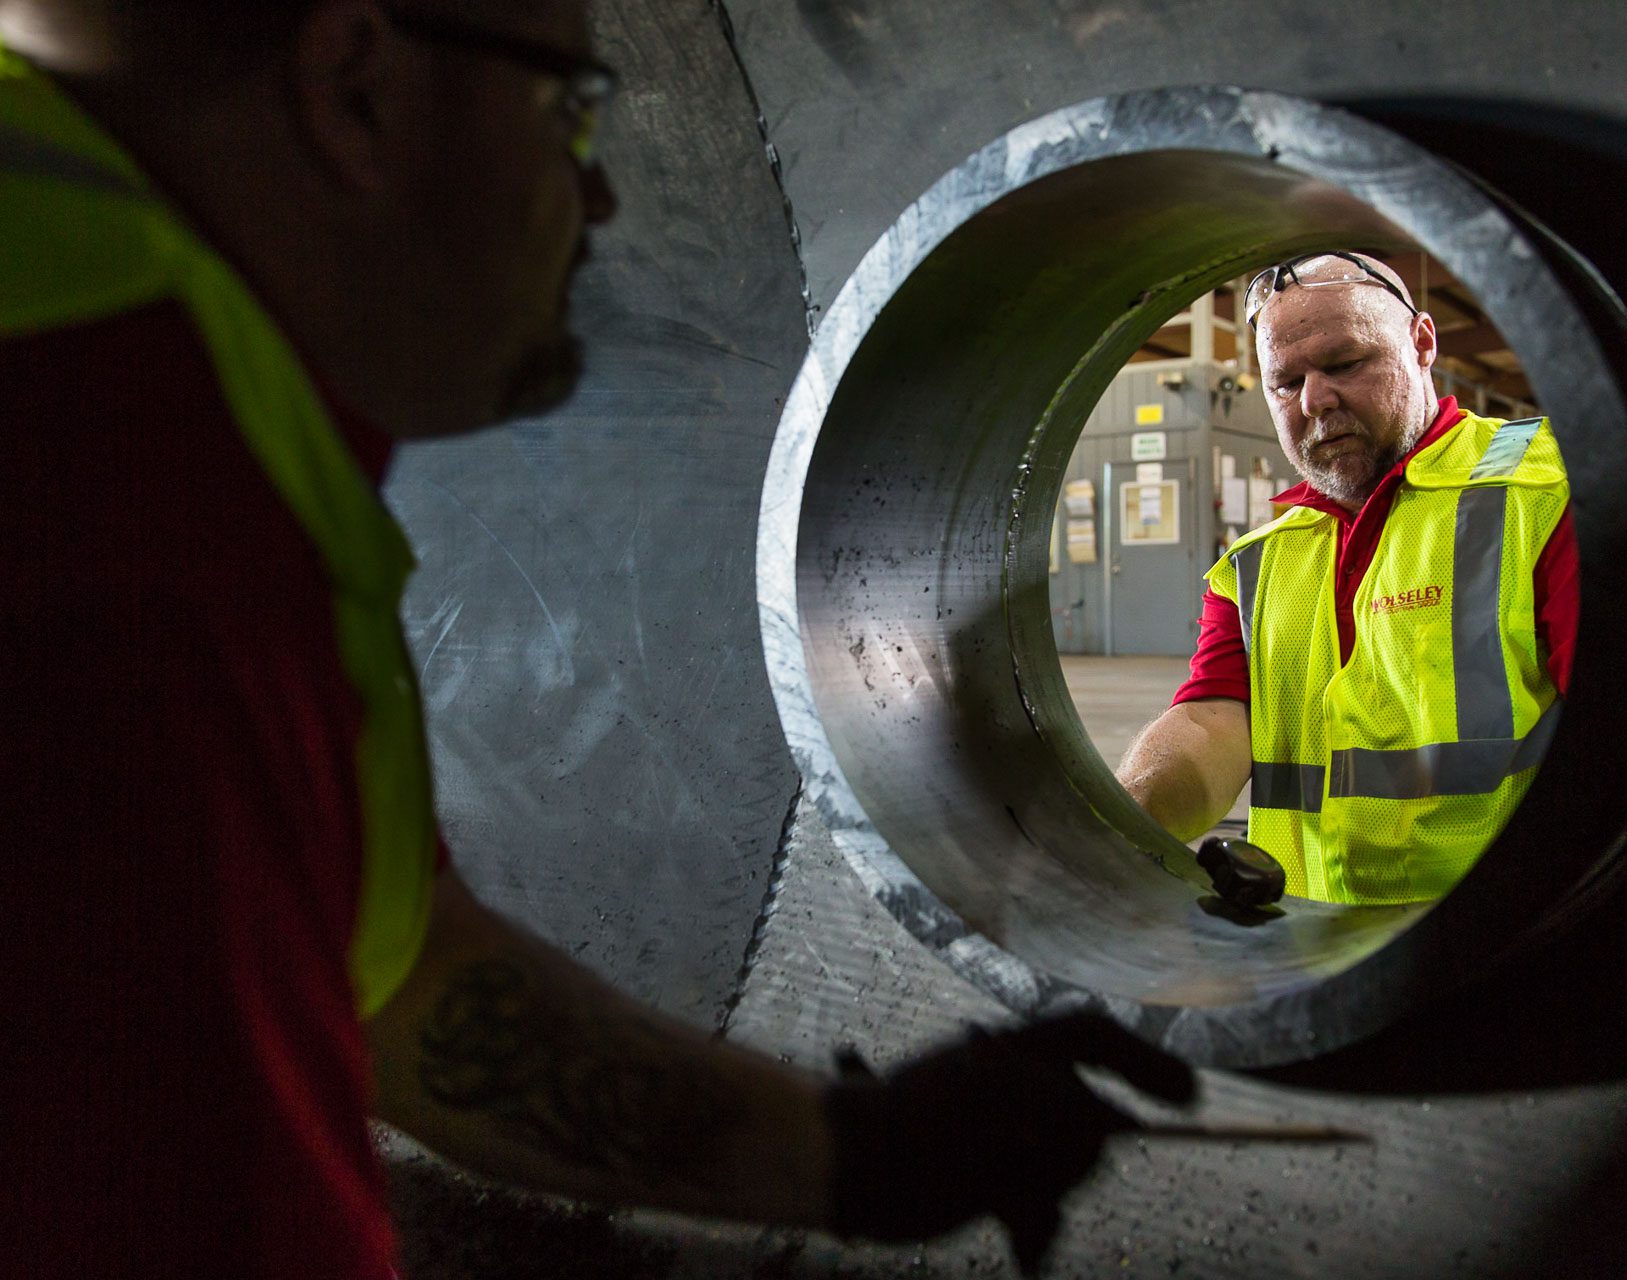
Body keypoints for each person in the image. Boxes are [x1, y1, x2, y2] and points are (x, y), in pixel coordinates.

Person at [0, 3, 1195, 1276]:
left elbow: (406, 986)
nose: (605, 193)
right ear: (354, 89)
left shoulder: (225, 445)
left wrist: (855, 1151)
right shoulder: (101, 490)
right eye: (568, 110)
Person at [1117, 252, 1578, 906]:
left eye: (1345, 364)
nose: (1314, 401)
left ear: (1422, 343)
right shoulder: (1260, 558)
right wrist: (1126, 823)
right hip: (1304, 942)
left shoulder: (1544, 491)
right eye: (1284, 381)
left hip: (1498, 938)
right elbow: (1213, 719)